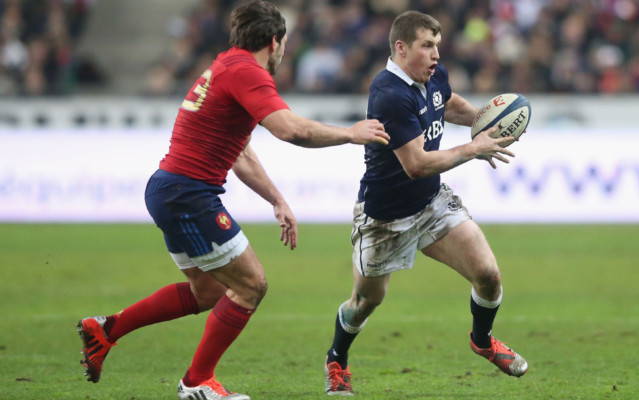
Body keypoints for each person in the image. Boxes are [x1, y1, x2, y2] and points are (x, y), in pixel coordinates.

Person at [76, 2, 389, 400]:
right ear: (275, 41)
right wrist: (350, 133)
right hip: (187, 194)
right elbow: (290, 130)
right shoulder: (246, 72)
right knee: (251, 285)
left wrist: (276, 199)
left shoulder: (226, 66)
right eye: (284, 44)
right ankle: (196, 382)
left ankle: (106, 330)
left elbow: (240, 153)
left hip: (172, 189)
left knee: (207, 291)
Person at [323, 10, 528, 396]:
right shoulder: (388, 94)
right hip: (383, 219)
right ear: (401, 48)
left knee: (488, 273)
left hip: (431, 202)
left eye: (438, 45)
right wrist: (473, 148)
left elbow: (448, 104)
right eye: (427, 46)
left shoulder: (433, 75)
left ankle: (482, 341)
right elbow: (416, 164)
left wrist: (490, 123)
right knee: (366, 302)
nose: (436, 54)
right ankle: (337, 358)